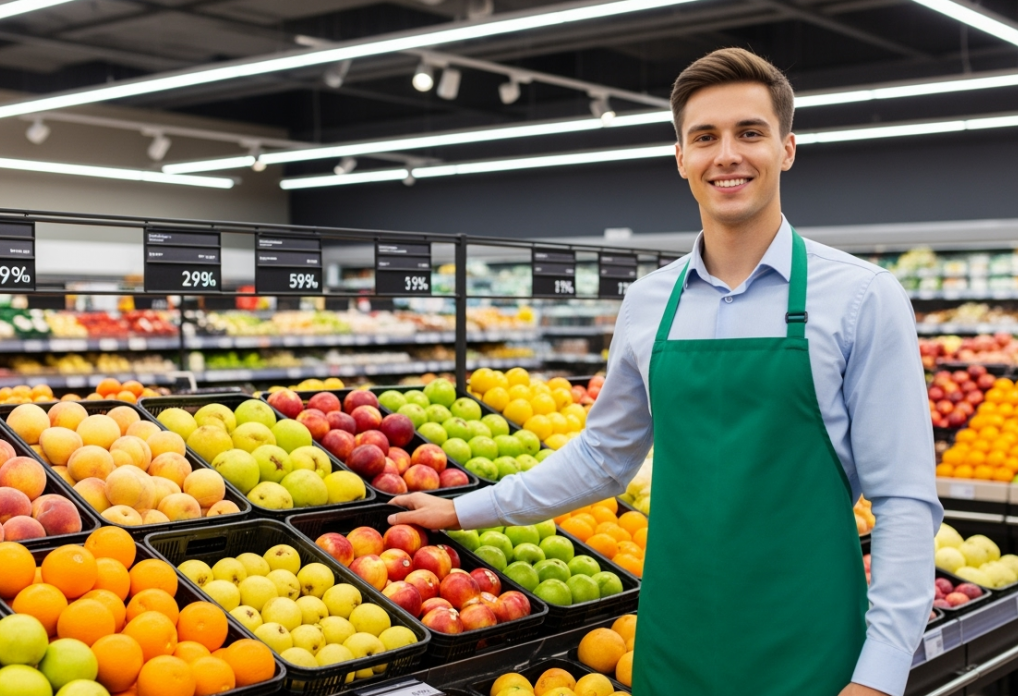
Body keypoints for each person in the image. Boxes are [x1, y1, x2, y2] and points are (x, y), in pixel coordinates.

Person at [390, 47, 940, 696]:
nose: (727, 154)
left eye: (750, 133)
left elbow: (904, 502)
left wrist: (878, 678)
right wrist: (466, 510)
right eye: (705, 137)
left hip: (811, 647)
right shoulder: (651, 302)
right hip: (672, 643)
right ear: (681, 158)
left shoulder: (861, 298)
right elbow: (603, 457)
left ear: (787, 149)